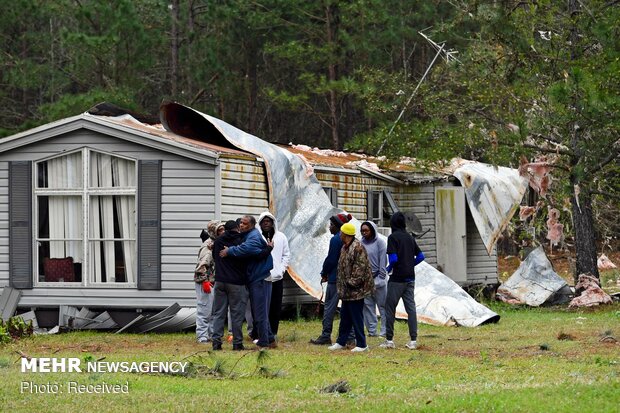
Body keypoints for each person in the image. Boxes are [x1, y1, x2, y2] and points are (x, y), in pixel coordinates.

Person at [220, 215, 275, 349]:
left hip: (259, 278)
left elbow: (247, 249)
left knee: (259, 312)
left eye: (244, 223)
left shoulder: (254, 236)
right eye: (241, 223)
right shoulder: (248, 235)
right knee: (258, 311)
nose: (241, 225)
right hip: (254, 278)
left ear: (251, 225)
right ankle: (270, 340)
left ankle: (264, 342)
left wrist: (229, 251)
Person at [211, 220, 263, 351]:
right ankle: (237, 343)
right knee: (236, 314)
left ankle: (216, 343)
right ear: (236, 229)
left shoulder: (217, 241)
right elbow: (248, 256)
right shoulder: (241, 240)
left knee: (218, 313)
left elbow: (215, 258)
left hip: (220, 281)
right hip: (236, 282)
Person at [380, 211, 425, 350]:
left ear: (393, 223)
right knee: (411, 309)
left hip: (397, 278)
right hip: (410, 278)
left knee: (389, 308)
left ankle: (389, 340)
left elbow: (393, 259)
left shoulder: (393, 237)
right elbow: (421, 256)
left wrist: (388, 269)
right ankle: (413, 340)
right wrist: (410, 264)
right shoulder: (409, 237)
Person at [328, 222, 374, 352]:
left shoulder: (358, 248)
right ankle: (341, 342)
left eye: (341, 233)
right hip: (346, 291)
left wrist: (350, 283)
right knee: (345, 317)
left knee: (356, 317)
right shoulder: (345, 247)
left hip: (355, 290)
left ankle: (362, 344)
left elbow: (360, 269)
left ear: (346, 234)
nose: (340, 235)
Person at [309, 213, 353, 345]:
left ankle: (325, 335)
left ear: (338, 226)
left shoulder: (336, 239)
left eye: (331, 225)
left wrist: (324, 272)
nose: (329, 227)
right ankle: (350, 337)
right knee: (347, 307)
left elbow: (331, 259)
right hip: (347, 279)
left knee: (329, 307)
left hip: (335, 278)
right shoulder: (350, 239)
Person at [258, 211, 290, 338]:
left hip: (276, 278)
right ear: (260, 223)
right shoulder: (258, 237)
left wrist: (281, 269)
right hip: (262, 278)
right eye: (264, 221)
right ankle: (261, 332)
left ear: (273, 223)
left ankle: (273, 333)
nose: (266, 223)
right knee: (262, 307)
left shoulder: (281, 236)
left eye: (268, 221)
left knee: (275, 306)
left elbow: (286, 255)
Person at [193, 220, 225, 343]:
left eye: (223, 229)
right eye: (219, 230)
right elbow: (201, 266)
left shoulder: (217, 243)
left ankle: (211, 334)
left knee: (213, 310)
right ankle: (202, 336)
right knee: (204, 309)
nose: (222, 232)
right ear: (213, 232)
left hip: (213, 281)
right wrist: (204, 281)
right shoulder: (208, 246)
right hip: (205, 281)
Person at [360, 221, 388, 337]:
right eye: (362, 231)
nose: (364, 233)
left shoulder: (380, 243)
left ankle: (384, 331)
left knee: (383, 307)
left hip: (379, 280)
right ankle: (372, 331)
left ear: (372, 230)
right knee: (368, 307)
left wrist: (381, 278)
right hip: (365, 281)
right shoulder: (360, 243)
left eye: (366, 230)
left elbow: (383, 261)